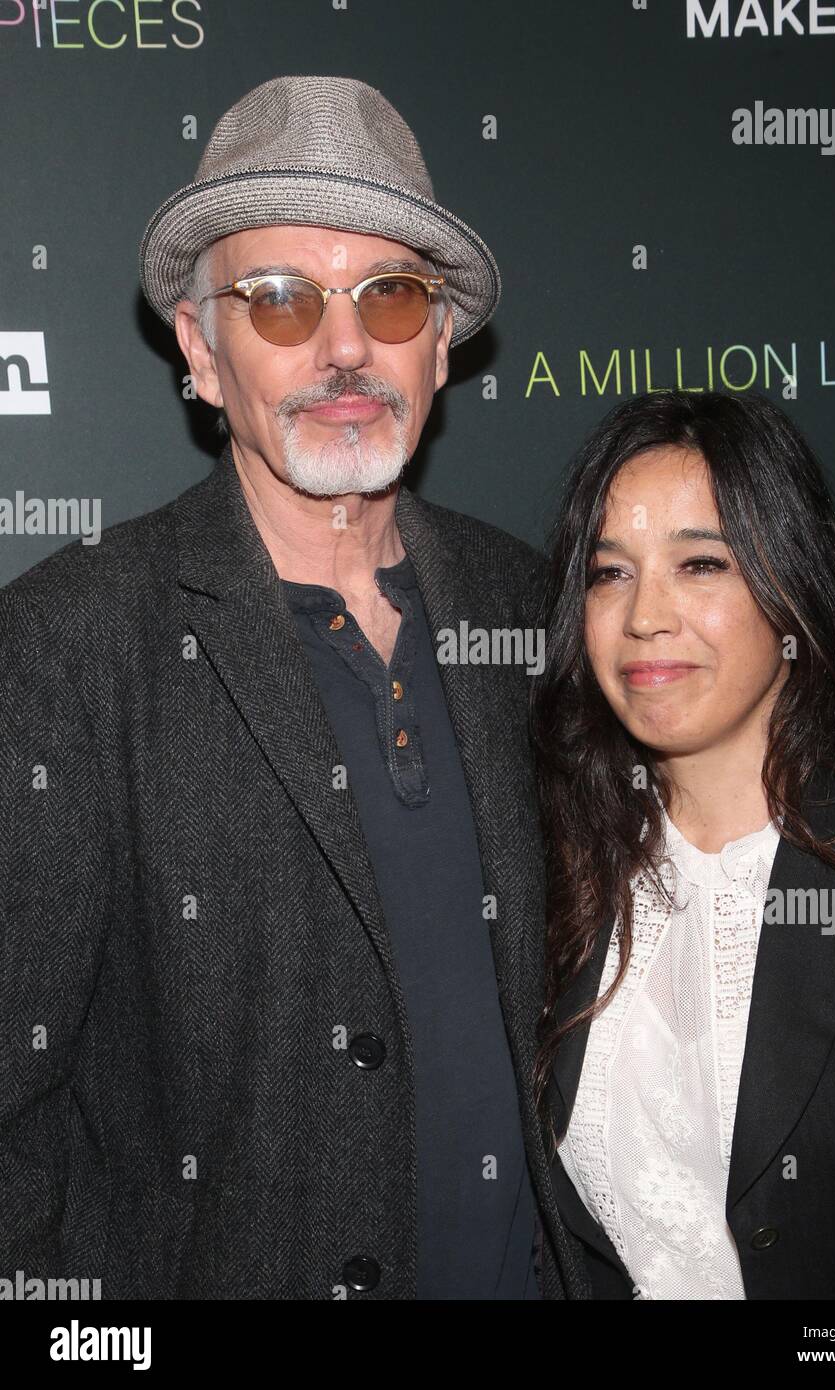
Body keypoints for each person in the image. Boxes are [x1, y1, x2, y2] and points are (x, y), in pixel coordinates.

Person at [0, 75, 587, 1300]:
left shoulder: (530, 604)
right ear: (200, 353)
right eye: (277, 302)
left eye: (390, 294)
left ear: (438, 345)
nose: (343, 348)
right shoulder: (70, 640)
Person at [530, 388, 835, 1300]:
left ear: (790, 590)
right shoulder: (562, 872)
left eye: (701, 564)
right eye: (611, 573)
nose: (645, 616)